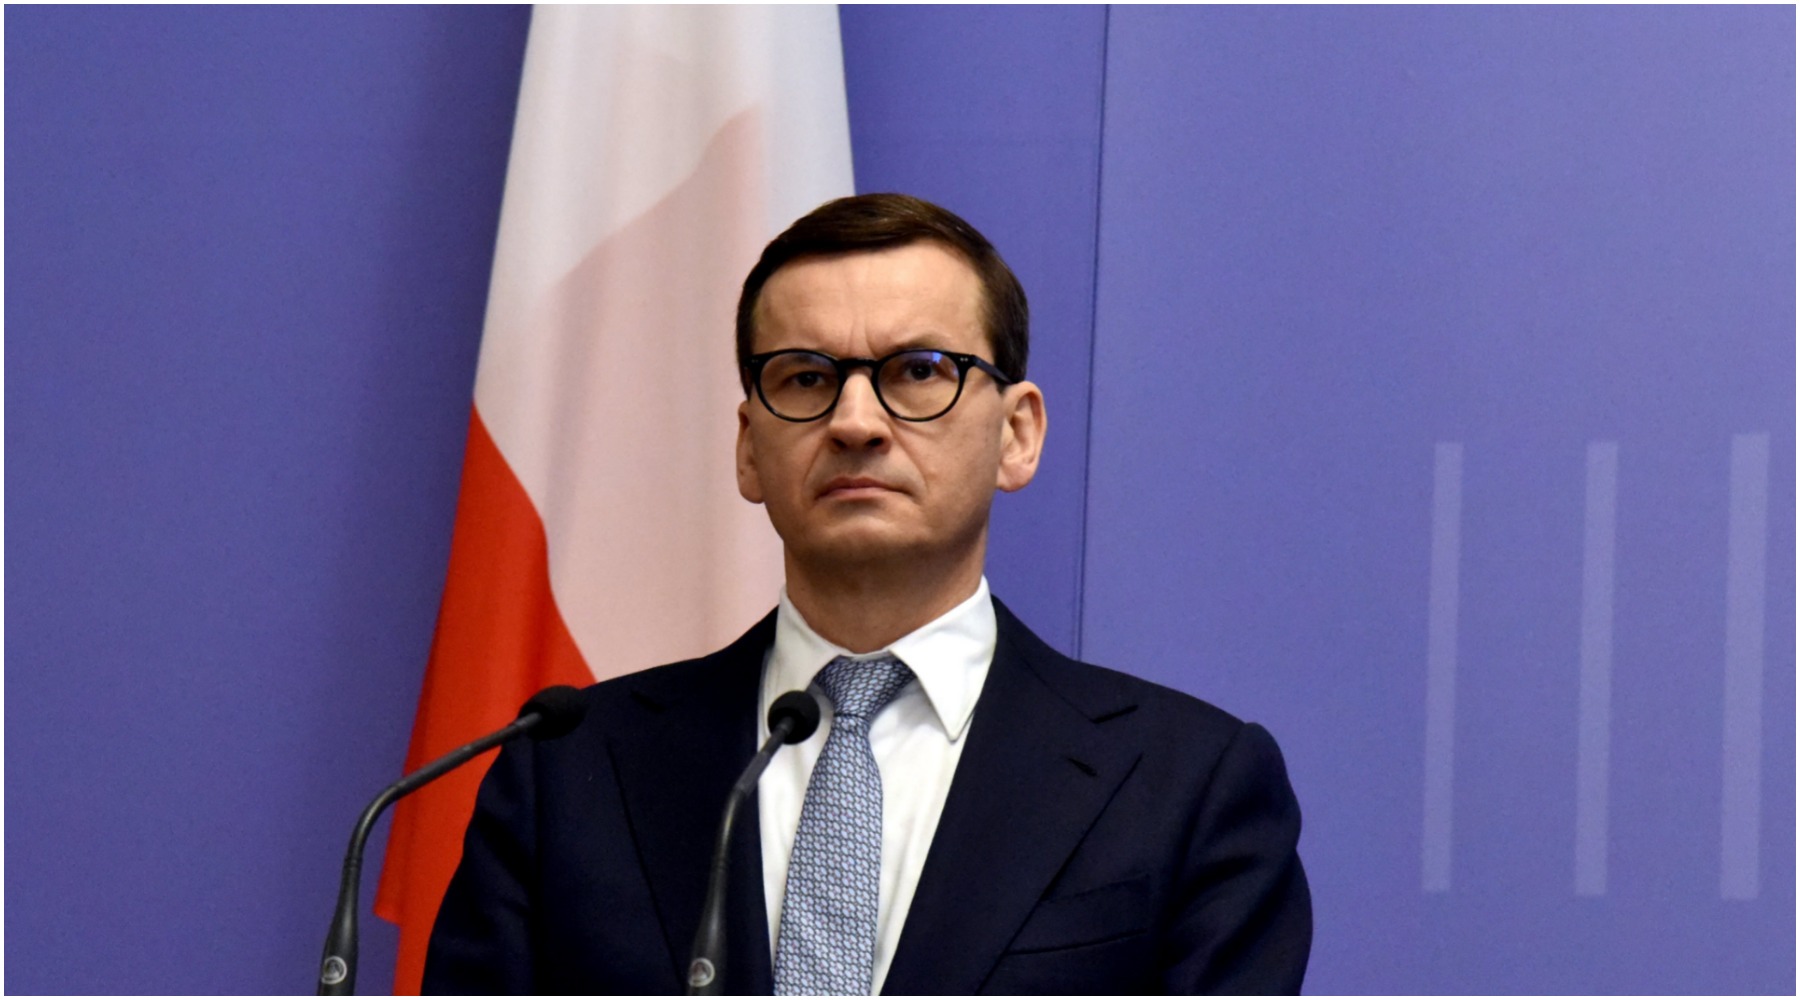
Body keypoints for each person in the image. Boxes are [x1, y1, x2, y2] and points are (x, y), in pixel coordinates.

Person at [424, 194, 1311, 994]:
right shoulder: (566, 773)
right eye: (806, 378)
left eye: (918, 371)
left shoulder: (1187, 786)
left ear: (1017, 434)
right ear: (748, 447)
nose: (854, 422)